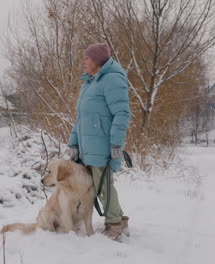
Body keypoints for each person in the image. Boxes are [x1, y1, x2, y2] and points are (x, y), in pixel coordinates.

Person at [67, 43, 130, 240]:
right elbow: (81, 118)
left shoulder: (111, 80)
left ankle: (114, 225)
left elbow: (122, 114)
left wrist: (116, 145)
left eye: (86, 58)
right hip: (88, 147)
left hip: (103, 146)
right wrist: (74, 143)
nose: (83, 62)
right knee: (100, 186)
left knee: (104, 186)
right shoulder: (89, 83)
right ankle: (119, 218)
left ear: (96, 60)